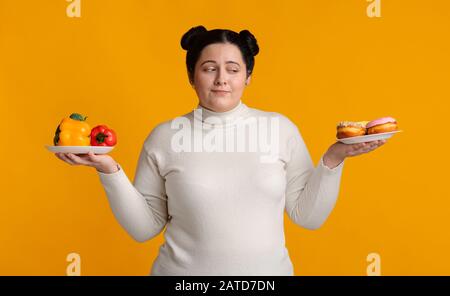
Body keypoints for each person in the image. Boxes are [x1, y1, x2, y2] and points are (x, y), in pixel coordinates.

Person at [55, 26, 386, 276]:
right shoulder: (165, 136)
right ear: (191, 76)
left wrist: (334, 158)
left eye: (233, 69)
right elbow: (143, 228)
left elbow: (308, 217)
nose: (221, 80)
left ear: (248, 77)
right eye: (209, 68)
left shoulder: (279, 129)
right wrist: (109, 170)